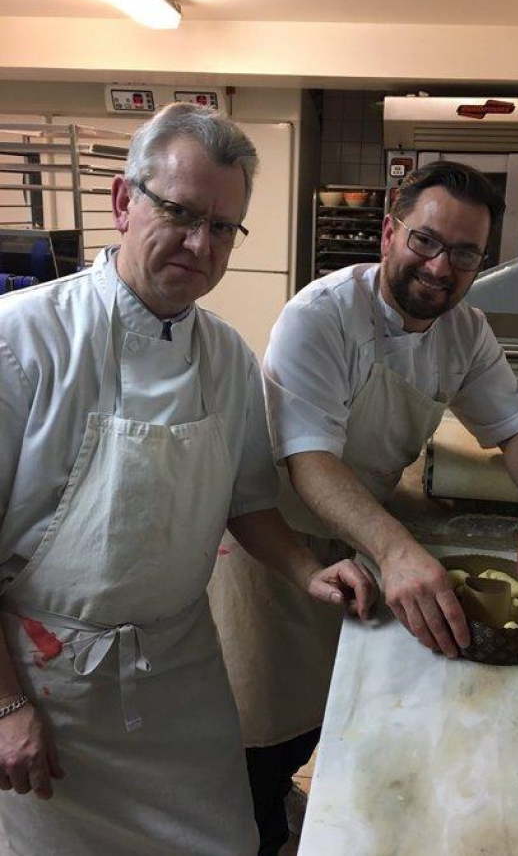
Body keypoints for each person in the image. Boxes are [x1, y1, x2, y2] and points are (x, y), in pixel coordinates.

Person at [0, 103, 377, 856]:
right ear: (122, 201)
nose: (199, 243)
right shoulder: (23, 341)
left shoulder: (227, 357)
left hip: (178, 674)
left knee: (225, 840)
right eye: (179, 212)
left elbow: (245, 501)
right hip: (48, 682)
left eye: (223, 226)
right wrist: (5, 704)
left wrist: (310, 570)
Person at [213, 161, 518, 854]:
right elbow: (308, 460)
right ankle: (257, 830)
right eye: (427, 241)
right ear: (389, 231)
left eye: (465, 253)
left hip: (361, 540)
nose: (442, 267)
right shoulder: (320, 318)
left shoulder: (463, 331)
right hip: (276, 546)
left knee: (335, 709)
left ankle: (289, 801)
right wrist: (398, 548)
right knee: (259, 728)